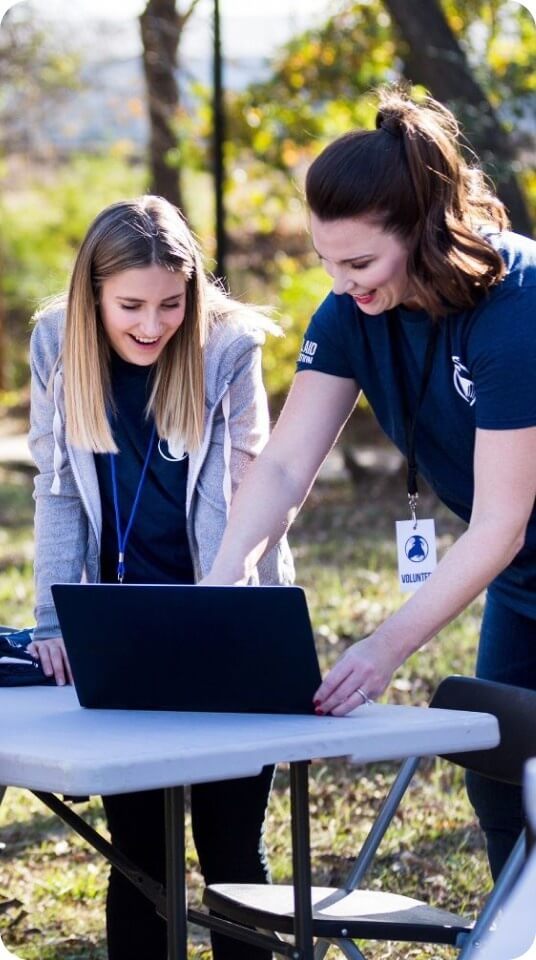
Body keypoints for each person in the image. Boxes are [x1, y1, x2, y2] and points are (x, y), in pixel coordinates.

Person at [203, 85, 536, 881]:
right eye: (325, 259)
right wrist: (223, 579)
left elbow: (499, 522)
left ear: (427, 232)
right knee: (498, 780)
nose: (341, 281)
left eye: (358, 261)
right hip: (524, 586)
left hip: (510, 545)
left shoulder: (515, 308)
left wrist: (384, 648)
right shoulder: (352, 311)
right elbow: (284, 464)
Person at [27, 195, 293, 960]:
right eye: (131, 306)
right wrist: (52, 621)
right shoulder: (56, 345)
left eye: (172, 304)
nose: (152, 325)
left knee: (232, 854)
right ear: (92, 296)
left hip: (228, 618)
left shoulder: (227, 348)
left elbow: (243, 501)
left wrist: (217, 619)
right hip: (124, 635)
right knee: (139, 854)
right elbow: (57, 493)